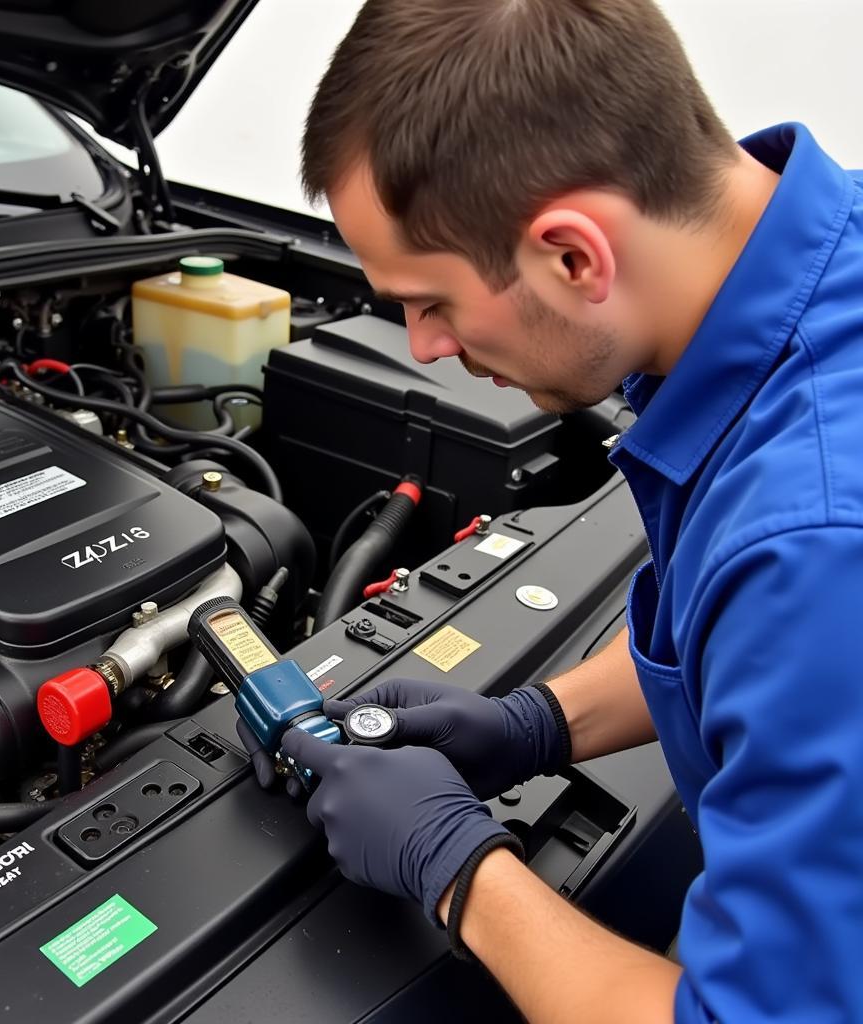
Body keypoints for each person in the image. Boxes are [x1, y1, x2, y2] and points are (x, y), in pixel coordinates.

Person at [241, 1, 863, 1020]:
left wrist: (460, 869)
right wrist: (536, 723)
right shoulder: (815, 267)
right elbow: (743, 644)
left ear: (573, 257)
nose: (424, 347)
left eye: (430, 301)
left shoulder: (814, 539)